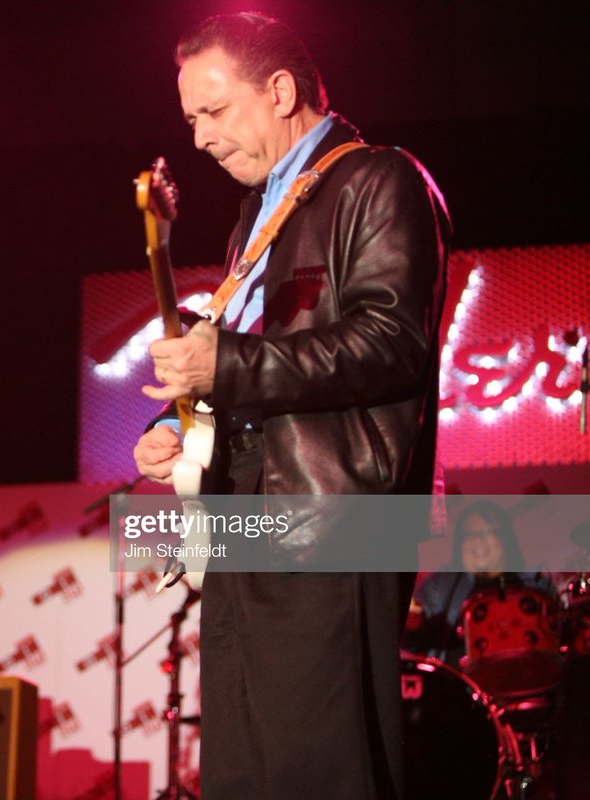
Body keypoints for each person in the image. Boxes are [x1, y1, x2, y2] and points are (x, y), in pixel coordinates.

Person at [131, 12, 449, 800]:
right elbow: (245, 363)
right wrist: (176, 429)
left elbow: (392, 343)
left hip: (331, 522)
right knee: (243, 770)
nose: (200, 138)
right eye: (190, 120)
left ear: (279, 92)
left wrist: (227, 365)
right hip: (246, 514)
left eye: (214, 111)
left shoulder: (379, 179)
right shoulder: (259, 213)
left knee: (322, 770)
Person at [407, 500, 556, 667]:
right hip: (457, 687)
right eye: (469, 535)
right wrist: (413, 619)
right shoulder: (443, 583)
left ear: (505, 538)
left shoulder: (537, 586)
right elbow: (413, 637)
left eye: (487, 532)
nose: (478, 540)